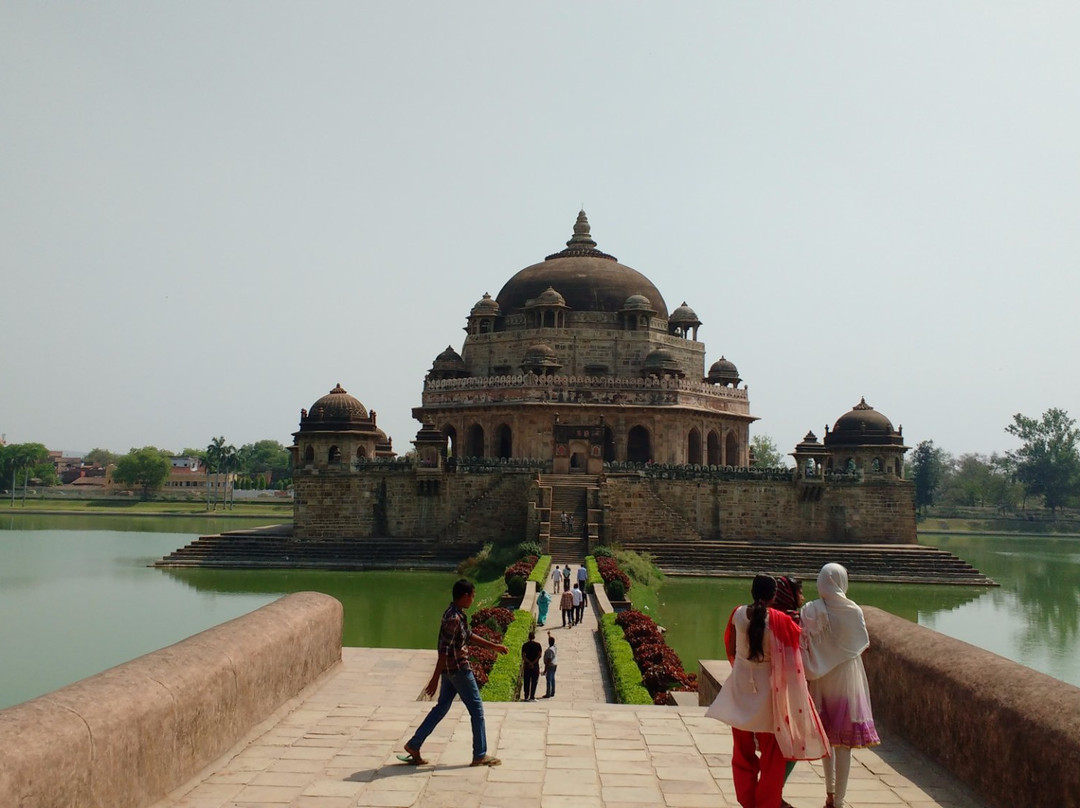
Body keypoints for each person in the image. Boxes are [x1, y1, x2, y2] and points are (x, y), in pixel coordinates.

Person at [706, 574, 829, 808]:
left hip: (740, 689)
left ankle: (747, 799)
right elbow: (801, 645)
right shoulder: (780, 620)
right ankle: (765, 803)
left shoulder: (737, 613)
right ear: (774, 596)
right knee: (773, 755)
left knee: (742, 751)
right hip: (769, 696)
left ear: (752, 592)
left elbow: (731, 648)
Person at [402, 578, 507, 767]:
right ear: (465, 596)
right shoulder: (453, 619)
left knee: (441, 707)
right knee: (477, 710)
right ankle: (480, 754)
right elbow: (444, 650)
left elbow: (468, 635)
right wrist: (434, 678)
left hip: (450, 671)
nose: (473, 599)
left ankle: (414, 744)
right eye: (472, 596)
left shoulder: (456, 614)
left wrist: (494, 646)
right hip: (458, 670)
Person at [801, 563, 880, 808]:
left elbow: (805, 642)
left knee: (827, 738)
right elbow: (862, 644)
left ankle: (830, 792)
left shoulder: (810, 610)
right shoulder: (852, 611)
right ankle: (839, 801)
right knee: (844, 744)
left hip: (821, 679)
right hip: (846, 677)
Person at [772, 576, 805, 808]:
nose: (803, 597)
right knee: (792, 744)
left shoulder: (767, 618)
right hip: (788, 692)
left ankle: (772, 791)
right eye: (799, 593)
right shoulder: (791, 621)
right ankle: (773, 792)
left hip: (774, 690)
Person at [521, 631, 542, 701]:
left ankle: (526, 696)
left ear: (528, 637)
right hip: (535, 666)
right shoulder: (538, 645)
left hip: (527, 666)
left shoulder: (525, 645)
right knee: (534, 681)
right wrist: (533, 663)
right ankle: (532, 696)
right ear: (534, 637)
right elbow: (539, 655)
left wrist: (529, 662)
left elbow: (523, 656)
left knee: (526, 681)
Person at [541, 633, 557, 698]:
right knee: (552, 678)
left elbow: (549, 660)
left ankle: (548, 693)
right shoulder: (554, 647)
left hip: (550, 665)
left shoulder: (549, 650)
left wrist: (545, 669)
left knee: (549, 679)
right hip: (554, 664)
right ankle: (552, 692)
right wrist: (549, 635)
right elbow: (551, 640)